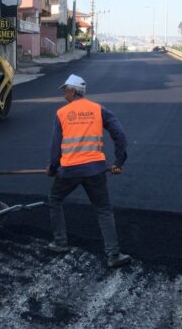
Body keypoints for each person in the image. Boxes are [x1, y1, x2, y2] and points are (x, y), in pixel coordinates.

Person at [46, 74, 131, 268]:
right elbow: (120, 134)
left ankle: (60, 243)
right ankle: (113, 255)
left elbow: (55, 146)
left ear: (74, 91)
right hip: (95, 170)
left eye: (66, 90)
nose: (64, 94)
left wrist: (52, 167)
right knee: (103, 209)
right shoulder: (98, 110)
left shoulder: (62, 113)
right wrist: (119, 160)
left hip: (69, 170)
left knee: (55, 199)